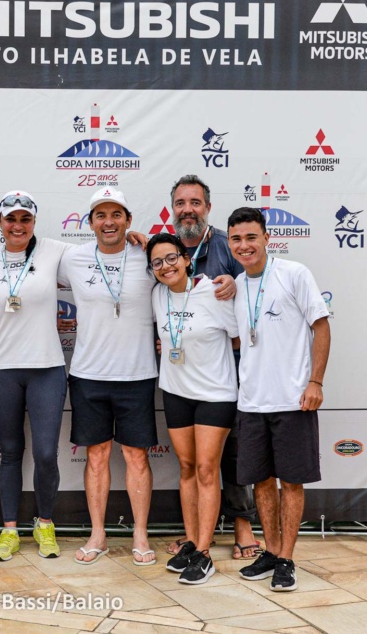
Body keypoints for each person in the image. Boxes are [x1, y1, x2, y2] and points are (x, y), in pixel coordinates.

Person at [227, 207, 330, 592]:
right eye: (236, 239)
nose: (244, 245)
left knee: (292, 483)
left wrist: (315, 381)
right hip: (252, 402)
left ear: (267, 238)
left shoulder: (294, 274)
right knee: (261, 483)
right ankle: (270, 551)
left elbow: (321, 327)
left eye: (251, 237)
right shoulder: (236, 286)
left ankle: (286, 558)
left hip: (293, 401)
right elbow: (237, 338)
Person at [58, 188, 158, 567]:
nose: (109, 222)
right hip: (88, 374)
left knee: (136, 456)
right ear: (90, 223)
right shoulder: (73, 258)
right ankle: (98, 534)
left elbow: (184, 277)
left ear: (129, 220)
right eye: (101, 215)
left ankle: (140, 535)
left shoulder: (148, 255)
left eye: (117, 214)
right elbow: (26, 266)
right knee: (97, 456)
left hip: (137, 373)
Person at [0, 191, 70, 560]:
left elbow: (100, 258)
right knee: (10, 452)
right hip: (0, 368)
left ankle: (45, 524)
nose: (18, 225)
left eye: (25, 219)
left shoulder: (54, 251)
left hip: (47, 368)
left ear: (34, 222)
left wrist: (139, 239)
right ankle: (9, 529)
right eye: (11, 219)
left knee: (45, 453)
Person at [168, 174, 261, 562]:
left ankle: (242, 524)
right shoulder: (168, 250)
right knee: (192, 462)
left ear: (208, 207)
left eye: (195, 203)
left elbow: (258, 284)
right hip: (183, 373)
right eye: (180, 203)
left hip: (231, 369)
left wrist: (237, 285)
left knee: (234, 451)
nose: (187, 210)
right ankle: (194, 534)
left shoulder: (228, 246)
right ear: (172, 209)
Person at [147, 233, 239, 585]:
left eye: (172, 258)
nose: (165, 266)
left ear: (187, 259)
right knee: (186, 467)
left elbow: (237, 337)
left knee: (205, 469)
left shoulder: (214, 291)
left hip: (215, 393)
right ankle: (191, 541)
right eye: (157, 262)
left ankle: (204, 552)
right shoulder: (157, 294)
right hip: (175, 391)